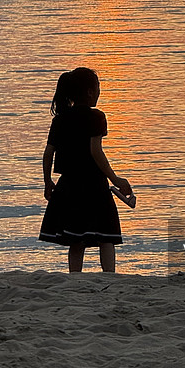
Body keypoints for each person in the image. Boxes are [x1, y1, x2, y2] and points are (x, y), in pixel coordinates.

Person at [39, 67, 132, 273]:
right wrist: (116, 180)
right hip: (94, 185)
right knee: (107, 235)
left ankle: (75, 276)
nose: (99, 91)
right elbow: (95, 151)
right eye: (98, 87)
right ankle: (109, 275)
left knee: (75, 238)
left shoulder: (60, 119)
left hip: (69, 185)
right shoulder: (96, 117)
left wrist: (47, 182)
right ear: (90, 91)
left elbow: (48, 153)